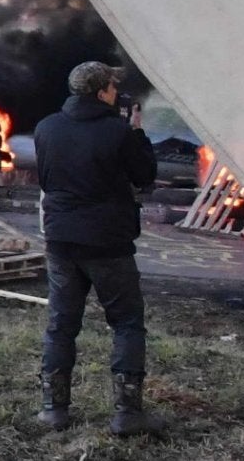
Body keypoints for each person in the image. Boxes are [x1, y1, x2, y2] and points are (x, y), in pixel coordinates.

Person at [30, 59, 158, 435]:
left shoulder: (46, 127)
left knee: (61, 325)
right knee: (127, 323)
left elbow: (50, 177)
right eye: (113, 88)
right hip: (108, 242)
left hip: (60, 240)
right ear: (103, 91)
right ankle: (127, 414)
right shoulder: (118, 132)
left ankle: (54, 409)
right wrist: (137, 133)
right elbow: (145, 176)